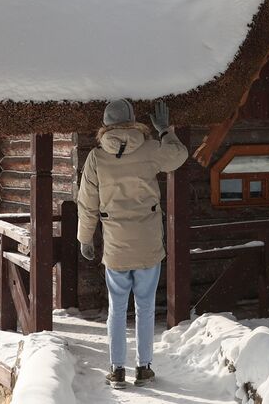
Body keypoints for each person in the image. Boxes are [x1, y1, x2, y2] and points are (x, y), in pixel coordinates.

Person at [76, 99, 188, 389]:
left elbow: (87, 205)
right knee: (145, 307)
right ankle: (144, 368)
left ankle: (116, 370)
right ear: (133, 120)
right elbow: (178, 156)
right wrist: (165, 131)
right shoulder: (150, 149)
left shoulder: (96, 158)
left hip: (115, 246)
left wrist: (85, 238)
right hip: (148, 243)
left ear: (105, 125)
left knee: (117, 309)